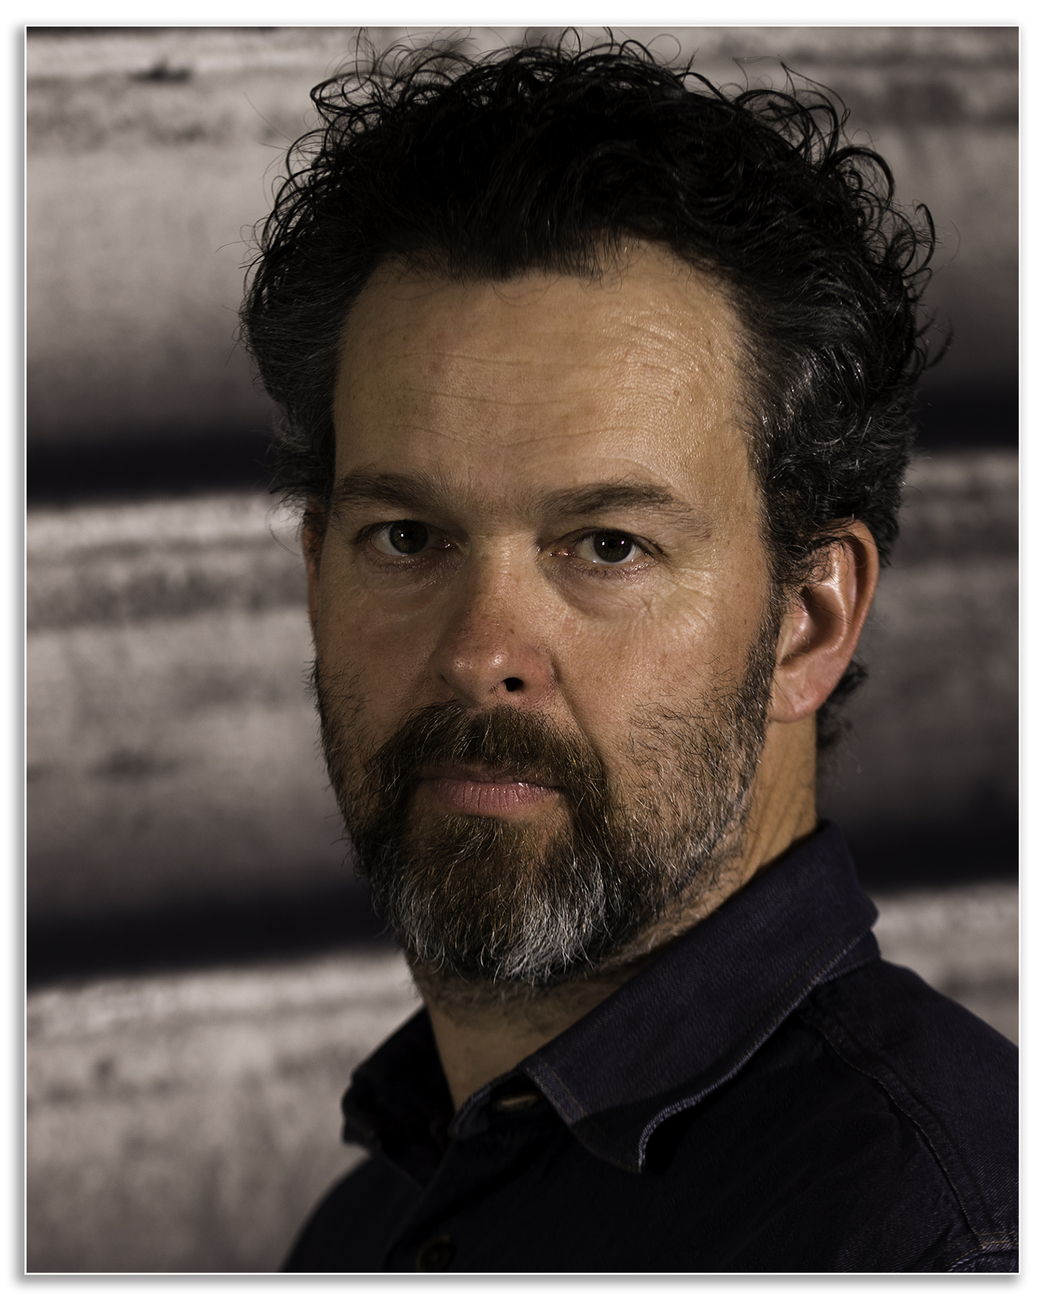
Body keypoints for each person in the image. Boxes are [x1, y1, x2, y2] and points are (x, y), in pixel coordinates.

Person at [239, 35, 1017, 1273]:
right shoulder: (362, 1229)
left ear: (808, 619)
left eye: (606, 545)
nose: (480, 653)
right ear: (314, 576)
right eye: (406, 536)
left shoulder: (941, 1242)